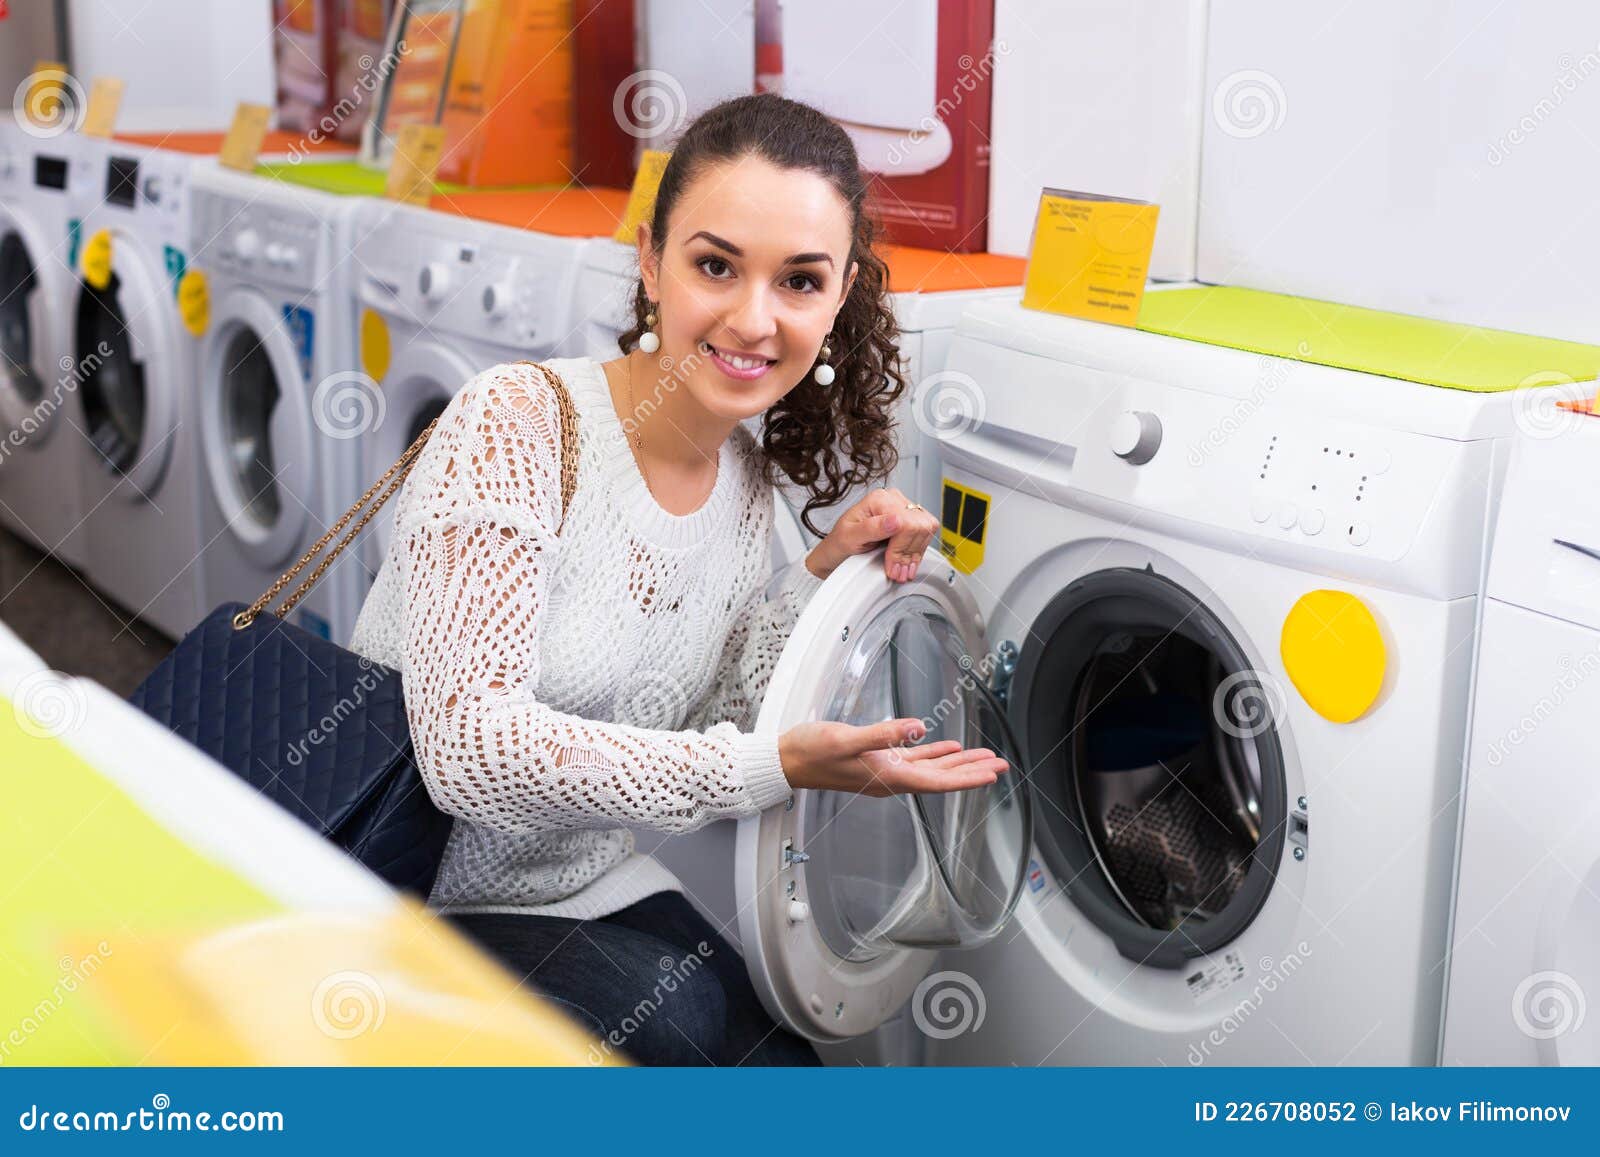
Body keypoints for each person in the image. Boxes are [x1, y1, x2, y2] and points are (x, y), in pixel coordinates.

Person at [347, 93, 1010, 1066]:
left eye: (799, 281)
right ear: (652, 262)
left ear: (837, 302)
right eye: (714, 264)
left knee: (790, 1068)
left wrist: (819, 575)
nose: (752, 317)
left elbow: (709, 717)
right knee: (672, 1023)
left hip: (573, 882)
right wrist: (778, 764)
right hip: (394, 886)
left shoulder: (747, 494)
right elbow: (472, 751)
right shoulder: (518, 425)